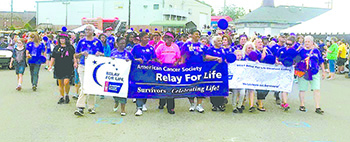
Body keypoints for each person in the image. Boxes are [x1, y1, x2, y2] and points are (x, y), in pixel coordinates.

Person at [74, 25, 104, 116]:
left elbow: (103, 54)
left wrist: (99, 54)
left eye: (89, 29)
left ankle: (91, 107)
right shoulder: (81, 41)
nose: (87, 31)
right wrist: (81, 53)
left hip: (94, 67)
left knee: (92, 86)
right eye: (86, 29)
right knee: (84, 86)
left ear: (93, 31)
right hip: (83, 65)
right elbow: (75, 55)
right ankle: (80, 107)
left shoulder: (98, 42)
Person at [297, 36, 326, 114]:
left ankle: (317, 107)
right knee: (302, 89)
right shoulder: (301, 51)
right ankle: (302, 105)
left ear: (312, 42)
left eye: (308, 41)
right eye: (305, 41)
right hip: (303, 73)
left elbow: (321, 61)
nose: (306, 43)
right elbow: (296, 60)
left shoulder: (316, 51)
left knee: (316, 89)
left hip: (314, 72)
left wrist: (323, 71)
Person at [180, 30, 208, 113]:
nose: (198, 36)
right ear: (191, 35)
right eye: (196, 34)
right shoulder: (186, 45)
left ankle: (199, 105)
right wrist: (181, 65)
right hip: (189, 68)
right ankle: (192, 104)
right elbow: (183, 56)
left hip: (200, 69)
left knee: (200, 86)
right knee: (190, 86)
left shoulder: (202, 46)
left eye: (199, 34)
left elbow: (205, 56)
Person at [132, 32, 157, 116]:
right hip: (138, 71)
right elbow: (131, 58)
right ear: (141, 38)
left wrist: (152, 61)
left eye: (148, 37)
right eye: (145, 37)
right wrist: (136, 60)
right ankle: (139, 107)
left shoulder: (151, 48)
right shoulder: (136, 47)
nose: (147, 39)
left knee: (146, 87)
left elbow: (154, 58)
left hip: (148, 71)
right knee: (139, 88)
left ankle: (143, 103)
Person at [156, 31, 181, 114]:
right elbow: (156, 56)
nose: (168, 39)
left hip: (172, 70)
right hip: (162, 70)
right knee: (163, 87)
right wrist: (158, 61)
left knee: (171, 88)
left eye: (170, 37)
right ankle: (161, 103)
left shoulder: (175, 46)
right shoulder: (161, 46)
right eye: (166, 37)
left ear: (172, 39)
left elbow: (178, 57)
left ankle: (171, 107)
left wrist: (176, 62)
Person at [48, 32, 77, 104]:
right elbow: (53, 57)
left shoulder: (70, 47)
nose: (62, 40)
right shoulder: (56, 47)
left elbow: (74, 55)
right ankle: (62, 96)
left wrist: (75, 62)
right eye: (61, 39)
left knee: (66, 82)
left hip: (68, 66)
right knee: (60, 83)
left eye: (63, 39)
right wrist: (50, 65)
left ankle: (67, 94)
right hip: (58, 66)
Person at [110, 37, 134, 116]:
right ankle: (116, 101)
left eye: (124, 43)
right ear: (117, 44)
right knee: (115, 91)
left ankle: (123, 108)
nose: (122, 45)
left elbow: (133, 62)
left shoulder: (128, 53)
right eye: (121, 43)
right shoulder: (113, 53)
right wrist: (111, 59)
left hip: (124, 76)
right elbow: (109, 63)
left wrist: (129, 61)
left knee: (123, 92)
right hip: (115, 76)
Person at [205, 36, 228, 111]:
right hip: (213, 71)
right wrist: (216, 58)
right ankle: (214, 104)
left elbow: (225, 58)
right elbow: (206, 57)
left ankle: (221, 103)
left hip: (222, 71)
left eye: (221, 40)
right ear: (214, 42)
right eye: (218, 40)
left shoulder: (223, 49)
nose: (220, 42)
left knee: (221, 86)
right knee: (214, 87)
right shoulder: (210, 49)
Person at [242, 41, 257, 112]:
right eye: (248, 48)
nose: (250, 49)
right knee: (243, 91)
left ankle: (251, 105)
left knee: (251, 90)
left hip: (251, 75)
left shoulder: (255, 56)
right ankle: (242, 103)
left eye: (252, 48)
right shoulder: (242, 56)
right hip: (243, 75)